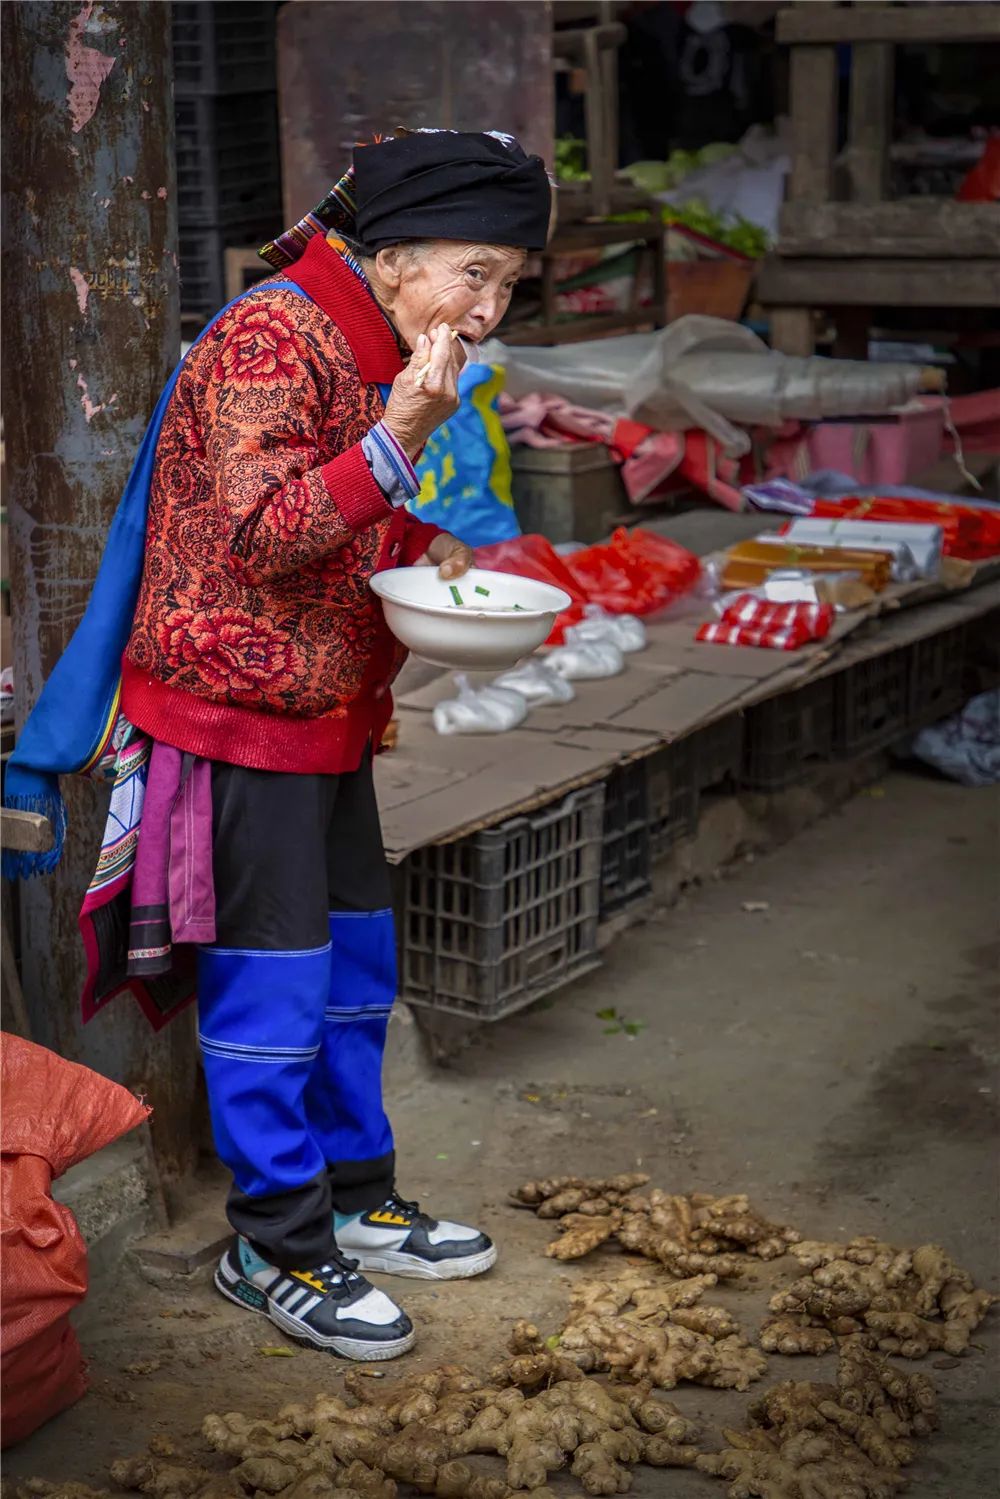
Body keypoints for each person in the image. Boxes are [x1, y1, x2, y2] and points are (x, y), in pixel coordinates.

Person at [5, 129, 551, 1362]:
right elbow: (257, 533)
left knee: (357, 967)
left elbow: (339, 525)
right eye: (475, 272)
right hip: (237, 714)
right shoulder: (273, 333)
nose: (489, 305)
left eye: (509, 281)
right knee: (274, 985)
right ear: (394, 253)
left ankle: (358, 1198)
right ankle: (276, 1243)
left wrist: (419, 556)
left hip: (328, 707)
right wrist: (401, 430)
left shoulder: (381, 337)